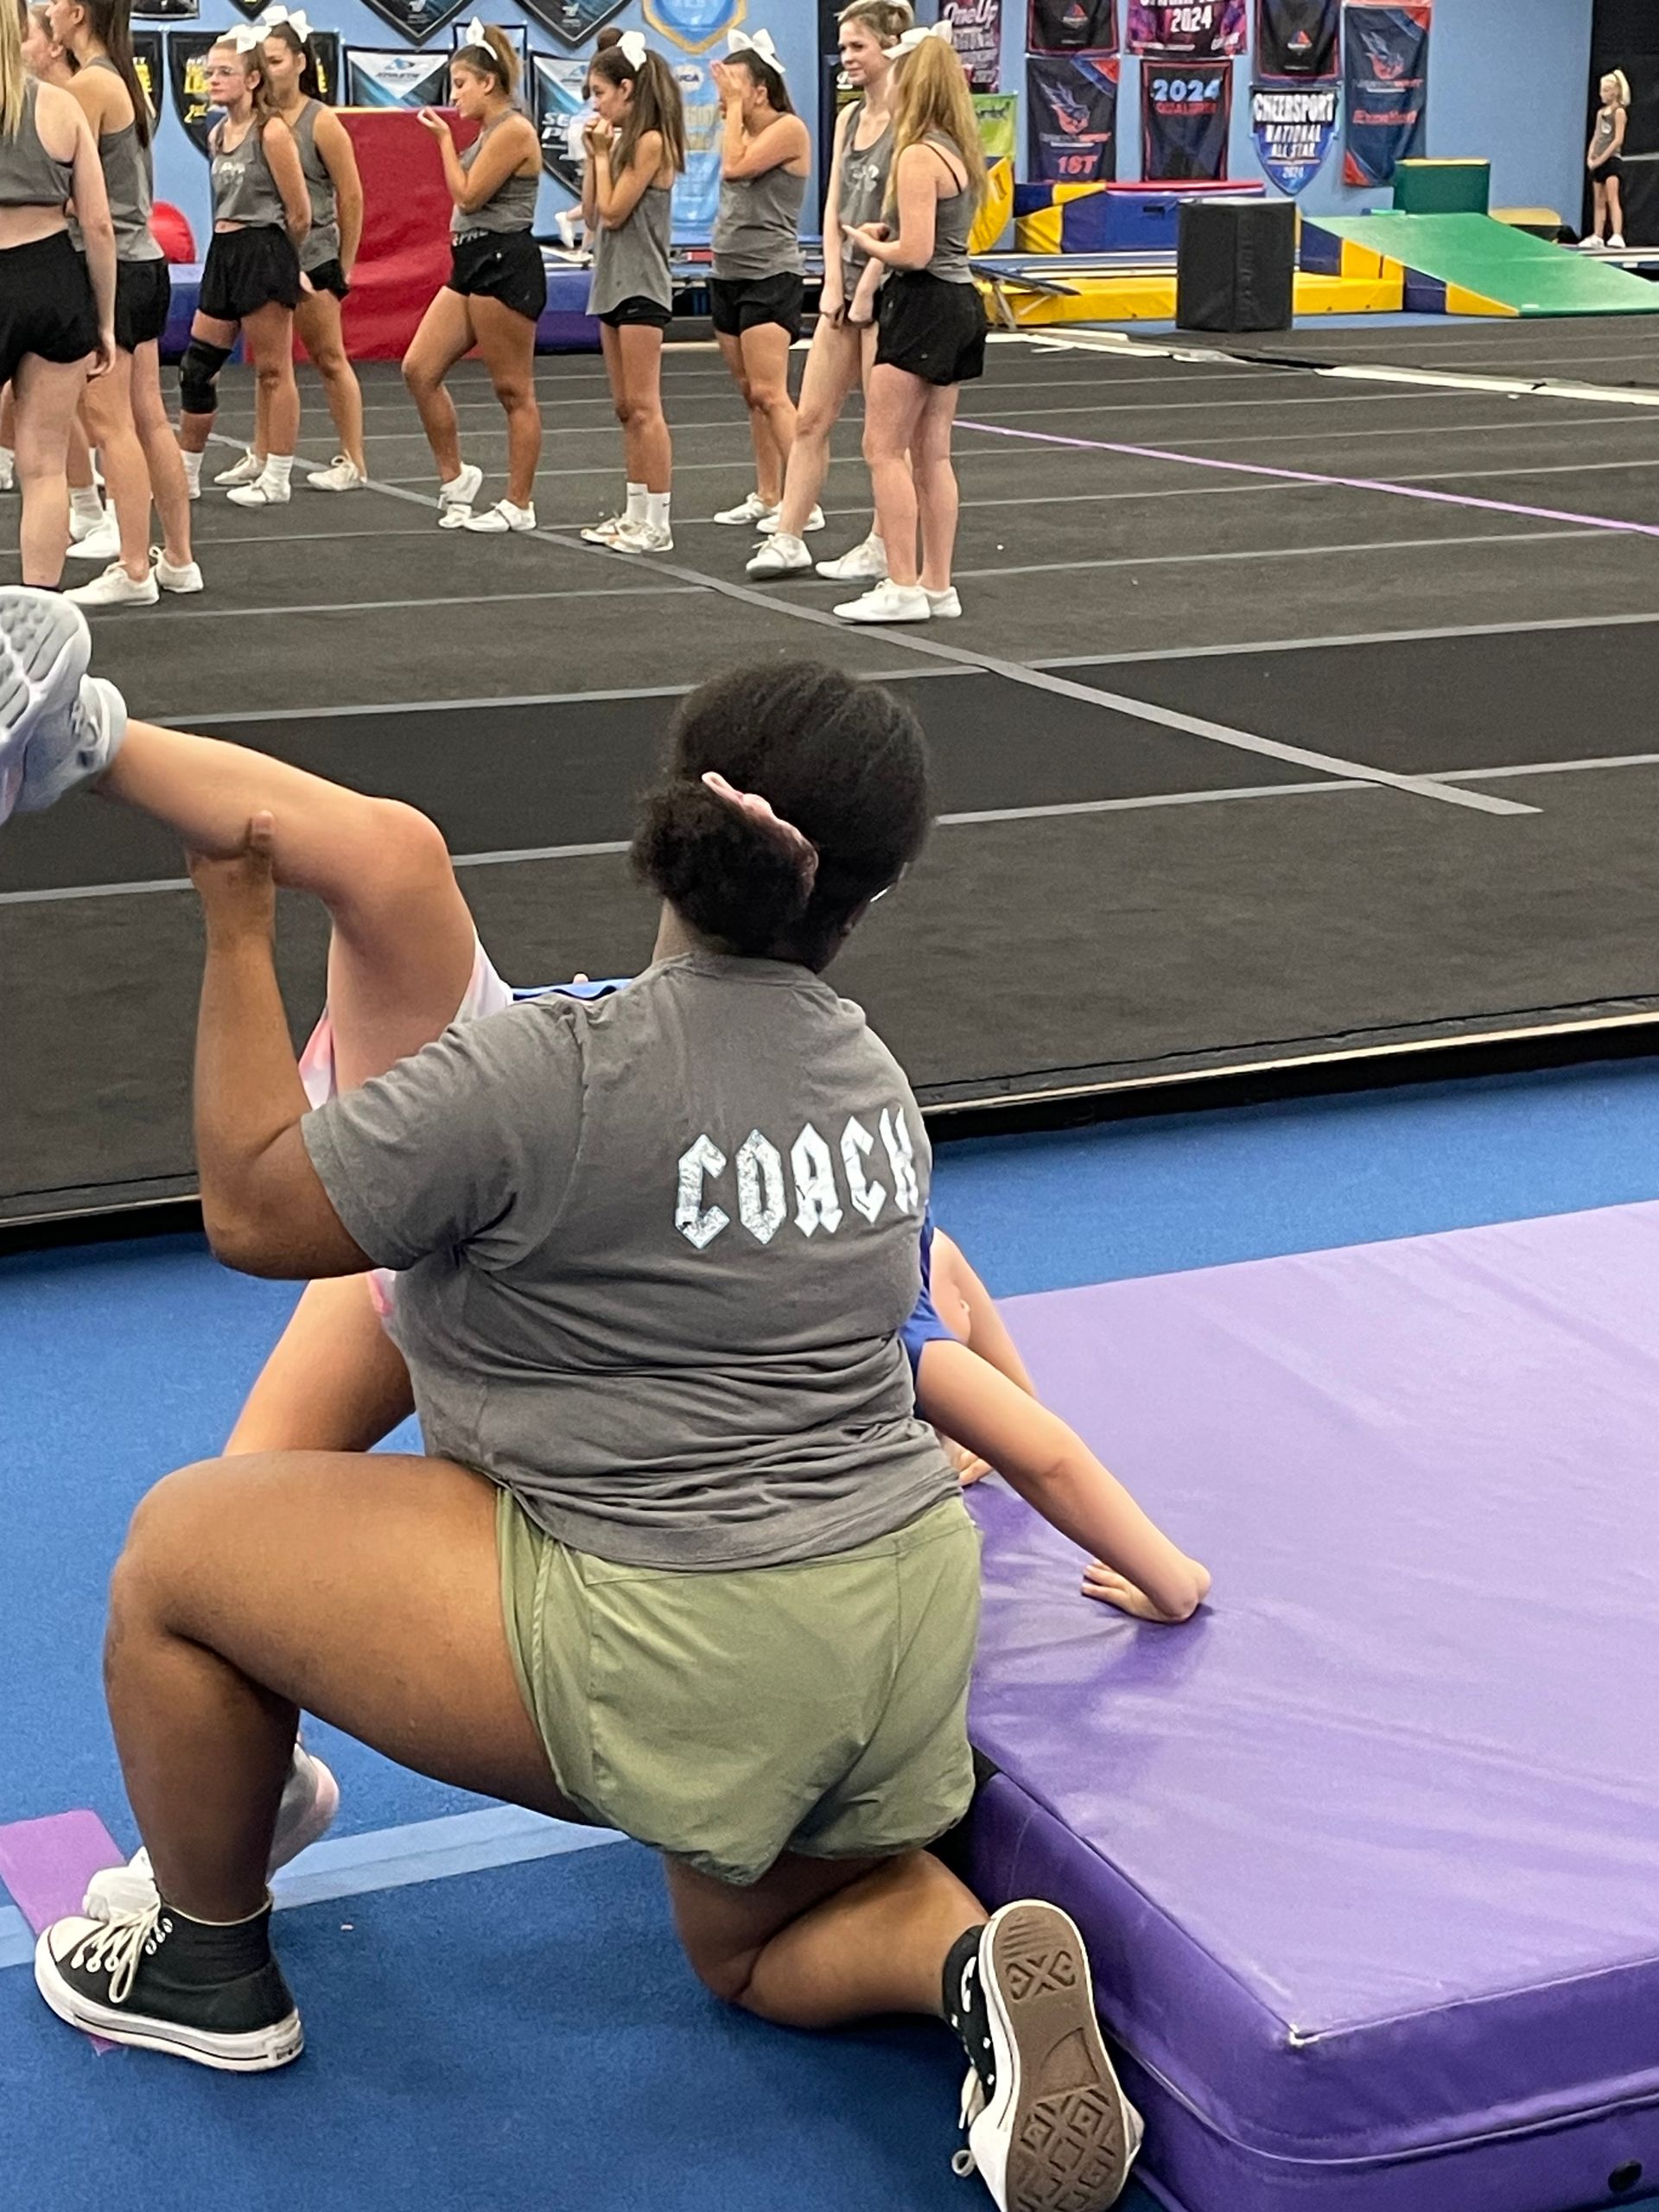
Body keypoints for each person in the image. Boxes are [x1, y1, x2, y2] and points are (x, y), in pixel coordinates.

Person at [2, 597, 1208, 2212]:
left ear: (668, 829)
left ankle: (201, 1966)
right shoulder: (874, 1084)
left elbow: (251, 1210)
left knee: (179, 1551)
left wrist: (233, 932)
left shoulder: (553, 1071)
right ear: (867, 897)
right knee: (753, 1948)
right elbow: (949, 1359)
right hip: (896, 1635)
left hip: (686, 1649)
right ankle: (967, 1964)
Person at [746, 0, 910, 587]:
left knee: (883, 435)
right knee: (811, 416)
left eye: (857, 46)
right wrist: (832, 281)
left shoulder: (909, 119)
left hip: (888, 288)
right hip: (843, 287)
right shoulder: (848, 118)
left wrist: (865, 286)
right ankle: (789, 536)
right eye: (842, 48)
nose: (846, 58)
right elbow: (836, 202)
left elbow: (897, 217)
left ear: (890, 46)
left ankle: (883, 541)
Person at [50, 0, 200, 608]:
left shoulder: (89, 85)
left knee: (112, 425)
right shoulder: (122, 79)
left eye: (53, 4)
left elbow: (69, 193)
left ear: (76, 13)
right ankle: (179, 560)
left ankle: (135, 566)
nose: (47, 13)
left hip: (111, 266)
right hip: (147, 261)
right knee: (148, 418)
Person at [836, 23, 986, 625]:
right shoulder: (958, 151)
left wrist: (866, 243)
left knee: (882, 447)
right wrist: (889, 236)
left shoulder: (919, 154)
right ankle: (937, 584)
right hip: (958, 302)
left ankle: (901, 583)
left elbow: (916, 253)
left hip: (924, 304)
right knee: (933, 454)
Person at [403, 22, 544, 534]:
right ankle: (456, 477)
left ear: (488, 82)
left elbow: (468, 196)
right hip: (470, 261)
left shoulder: (514, 131)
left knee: (512, 389)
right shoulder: (489, 132)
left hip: (504, 262)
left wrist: (443, 142)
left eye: (461, 84)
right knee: (419, 369)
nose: (454, 96)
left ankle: (518, 503)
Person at [229, 6, 366, 497]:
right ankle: (261, 452)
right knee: (269, 365)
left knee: (328, 357)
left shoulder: (320, 122)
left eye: (277, 61)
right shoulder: (258, 119)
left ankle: (353, 459)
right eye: (263, 62)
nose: (270, 71)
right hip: (268, 255)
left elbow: (351, 195)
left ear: (300, 62)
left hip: (314, 254)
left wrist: (344, 264)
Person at [0, 0, 113, 588]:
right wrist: (106, 321)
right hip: (51, 276)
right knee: (44, 467)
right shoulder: (61, 105)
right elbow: (98, 225)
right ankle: (40, 602)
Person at [177, 29, 308, 511]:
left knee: (273, 371)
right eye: (210, 71)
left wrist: (284, 264)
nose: (213, 79)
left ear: (253, 79)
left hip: (263, 250)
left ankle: (277, 477)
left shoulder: (271, 133)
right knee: (197, 368)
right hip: (224, 251)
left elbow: (300, 213)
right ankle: (186, 474)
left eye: (225, 72)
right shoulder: (217, 134)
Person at [578, 31, 684, 555]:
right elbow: (592, 214)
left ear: (626, 89)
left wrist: (603, 157)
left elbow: (617, 211)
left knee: (645, 406)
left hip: (642, 283)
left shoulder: (651, 142)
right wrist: (591, 157)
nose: (595, 104)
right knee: (625, 407)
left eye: (600, 93)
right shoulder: (620, 143)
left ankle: (658, 521)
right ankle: (634, 511)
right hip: (612, 282)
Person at [708, 29, 810, 532]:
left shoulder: (789, 129)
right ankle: (769, 493)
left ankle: (803, 502)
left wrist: (731, 110)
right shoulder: (740, 129)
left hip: (770, 273)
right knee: (752, 394)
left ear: (761, 91)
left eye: (734, 86)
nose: (724, 95)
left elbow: (734, 169)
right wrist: (732, 109)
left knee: (772, 393)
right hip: (728, 272)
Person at [1585, 70, 1630, 251]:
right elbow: (1597, 135)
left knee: (1612, 198)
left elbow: (1618, 140)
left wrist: (1602, 159)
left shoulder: (1619, 112)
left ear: (1615, 92)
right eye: (1601, 90)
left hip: (1611, 161)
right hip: (1598, 162)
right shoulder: (1601, 113)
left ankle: (1617, 234)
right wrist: (1590, 156)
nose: (1601, 94)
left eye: (1605, 90)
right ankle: (1598, 235)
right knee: (1599, 201)